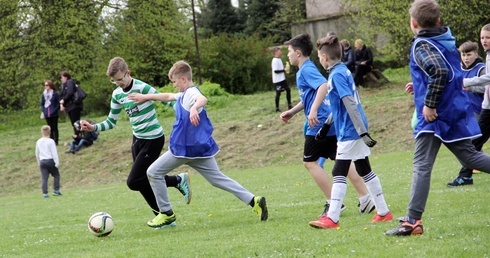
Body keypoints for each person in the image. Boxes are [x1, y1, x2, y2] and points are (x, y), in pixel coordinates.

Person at [385, 0, 490, 236]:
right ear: (438, 21)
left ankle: (412, 221)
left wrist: (429, 103)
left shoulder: (421, 45)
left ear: (413, 23)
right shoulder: (444, 40)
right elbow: (446, 72)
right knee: (471, 157)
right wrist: (420, 85)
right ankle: (412, 219)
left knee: (422, 165)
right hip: (453, 109)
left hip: (434, 115)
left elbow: (440, 71)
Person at [128, 60, 268, 229]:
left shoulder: (192, 93)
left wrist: (194, 108)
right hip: (199, 150)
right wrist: (146, 97)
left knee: (153, 172)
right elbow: (168, 96)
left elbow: (202, 98)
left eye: (174, 82)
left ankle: (166, 213)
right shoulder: (184, 94)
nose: (173, 86)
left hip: (184, 150)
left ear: (183, 79)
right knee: (218, 179)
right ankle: (254, 201)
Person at [279, 34, 376, 224]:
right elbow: (309, 96)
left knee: (310, 162)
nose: (288, 56)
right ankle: (365, 198)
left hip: (319, 123)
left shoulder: (306, 69)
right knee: (342, 161)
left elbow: (323, 86)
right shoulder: (306, 70)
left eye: (289, 52)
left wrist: (313, 110)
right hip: (327, 121)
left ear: (298, 53)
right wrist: (292, 111)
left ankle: (334, 203)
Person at [79, 57, 191, 219]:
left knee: (134, 181)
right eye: (114, 81)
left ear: (128, 73)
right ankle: (163, 216)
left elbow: (169, 101)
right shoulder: (117, 94)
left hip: (153, 139)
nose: (118, 83)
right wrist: (94, 127)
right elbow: (111, 121)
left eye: (120, 79)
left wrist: (187, 115)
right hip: (137, 141)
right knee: (143, 181)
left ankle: (176, 181)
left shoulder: (142, 87)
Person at [305, 33, 391, 229]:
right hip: (353, 128)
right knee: (364, 169)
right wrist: (326, 126)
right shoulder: (342, 71)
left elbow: (349, 104)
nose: (319, 60)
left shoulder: (336, 76)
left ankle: (332, 218)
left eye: (319, 57)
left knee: (338, 171)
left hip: (351, 131)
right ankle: (384, 212)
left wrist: (361, 131)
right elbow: (339, 107)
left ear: (325, 57)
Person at [446, 39, 487, 186]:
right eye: (463, 55)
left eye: (468, 54)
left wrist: (471, 87)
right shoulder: (459, 70)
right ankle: (470, 171)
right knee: (471, 144)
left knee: (471, 144)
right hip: (465, 112)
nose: (465, 58)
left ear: (476, 54)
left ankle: (467, 175)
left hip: (481, 111)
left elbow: (486, 88)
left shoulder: (482, 69)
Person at [35, 125, 62, 198]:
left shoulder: (38, 141)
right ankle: (56, 190)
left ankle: (45, 193)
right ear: (49, 132)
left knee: (44, 178)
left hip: (42, 161)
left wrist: (39, 162)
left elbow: (37, 153)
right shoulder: (51, 141)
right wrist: (57, 162)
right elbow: (54, 153)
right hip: (50, 160)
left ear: (41, 132)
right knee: (56, 175)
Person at [271, 47, 292, 112]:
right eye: (279, 51)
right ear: (276, 52)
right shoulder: (274, 60)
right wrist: (284, 70)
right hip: (278, 80)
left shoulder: (279, 59)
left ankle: (289, 105)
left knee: (288, 90)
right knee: (278, 93)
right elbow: (275, 71)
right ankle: (277, 108)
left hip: (282, 79)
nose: (281, 52)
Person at [40, 80, 60, 145]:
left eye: (47, 85)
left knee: (55, 127)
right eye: (45, 85)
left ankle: (56, 140)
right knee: (49, 127)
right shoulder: (44, 94)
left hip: (54, 113)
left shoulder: (55, 94)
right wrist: (44, 110)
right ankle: (51, 140)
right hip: (47, 113)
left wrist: (54, 110)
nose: (45, 87)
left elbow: (58, 103)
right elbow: (42, 104)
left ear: (50, 85)